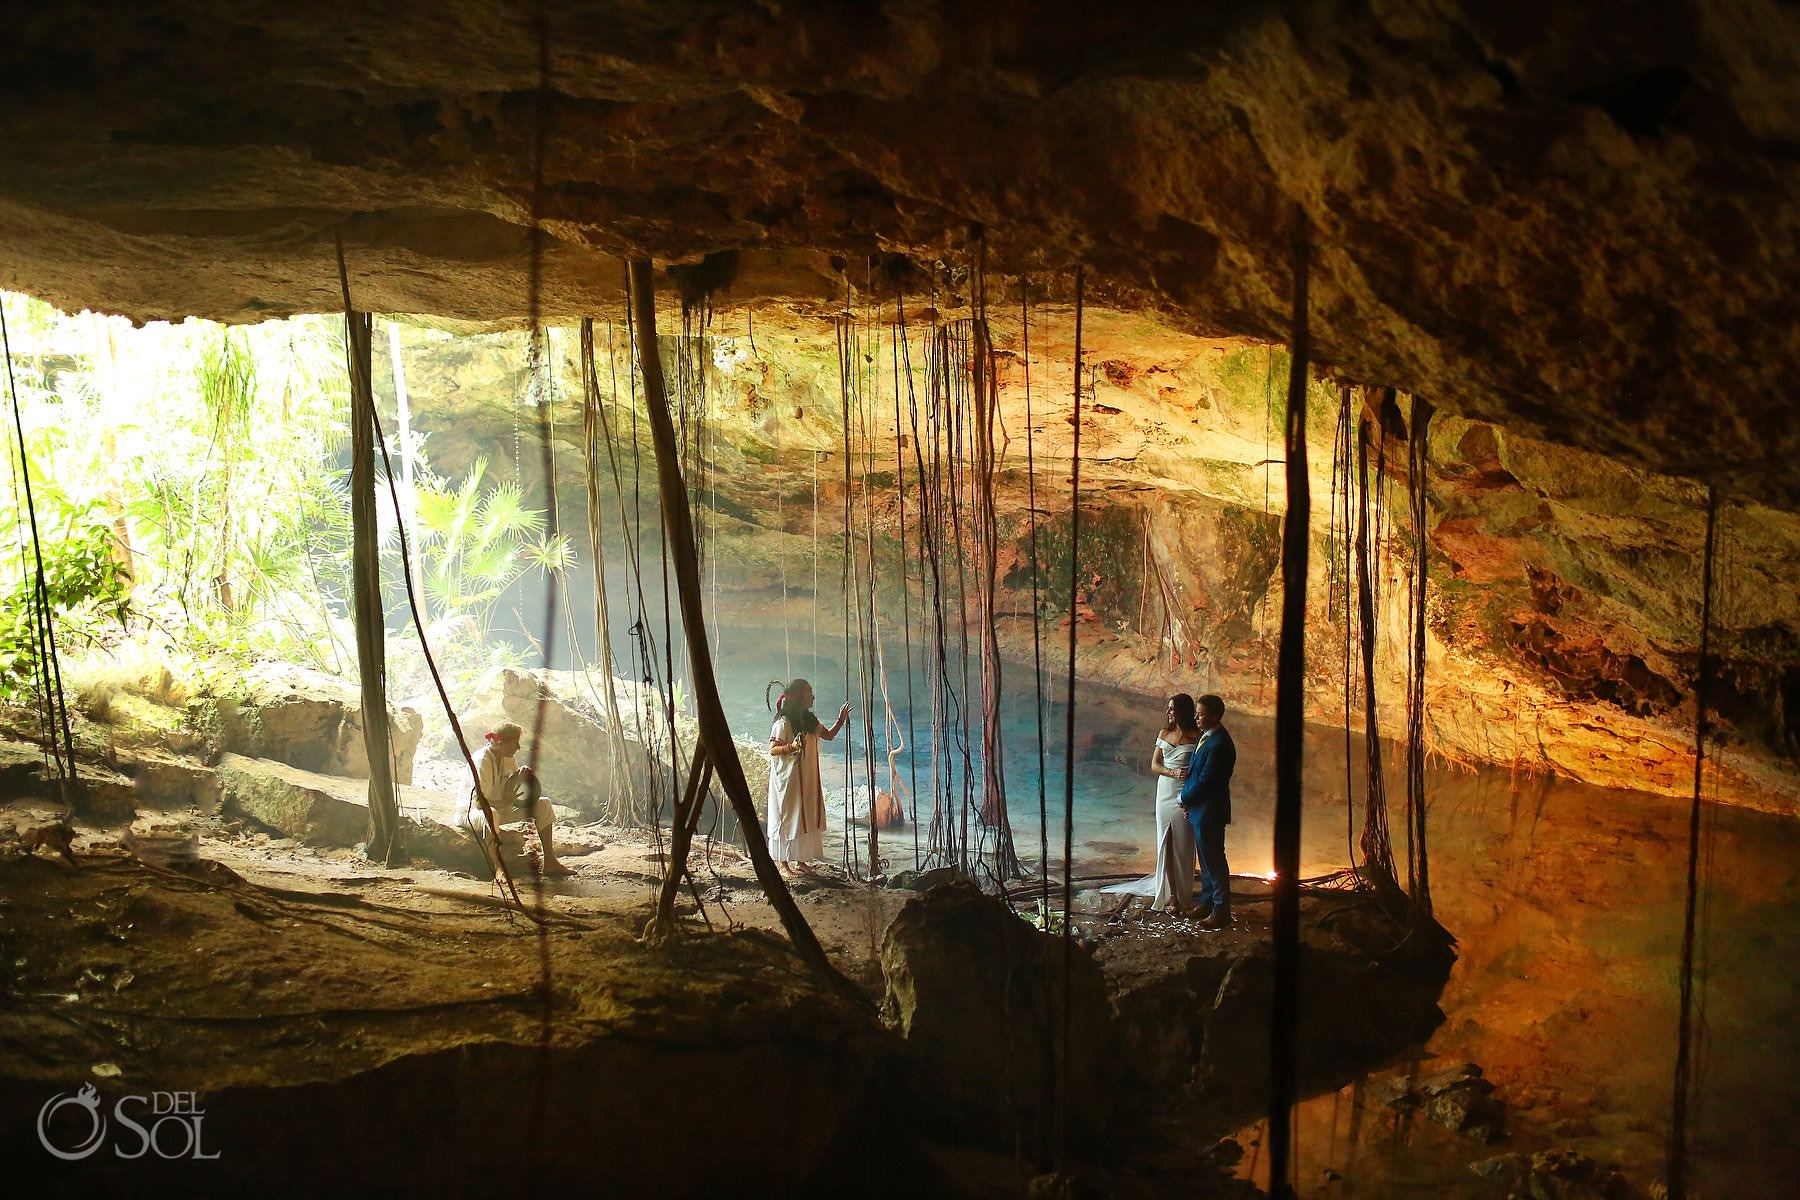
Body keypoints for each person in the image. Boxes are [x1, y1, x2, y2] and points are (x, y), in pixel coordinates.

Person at [455, 721, 572, 878]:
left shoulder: (506, 756)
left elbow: (510, 789)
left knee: (544, 804)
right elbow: (479, 804)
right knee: (493, 814)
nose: (518, 747)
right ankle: (498, 868)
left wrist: (521, 777)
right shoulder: (481, 761)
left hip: (499, 807)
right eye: (515, 743)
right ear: (501, 743)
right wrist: (506, 802)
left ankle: (550, 862)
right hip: (471, 814)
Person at [766, 679, 851, 875]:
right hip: (789, 780)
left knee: (804, 817)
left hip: (807, 778)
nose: (813, 697)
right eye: (809, 693)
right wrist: (792, 747)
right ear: (799, 698)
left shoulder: (811, 721)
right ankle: (783, 863)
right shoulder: (783, 722)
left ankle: (800, 860)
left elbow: (828, 735)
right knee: (788, 817)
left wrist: (841, 719)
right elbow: (773, 749)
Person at [1179, 693, 1237, 929]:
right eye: (1196, 713)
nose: (1196, 717)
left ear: (1214, 717)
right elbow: (1194, 772)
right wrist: (1189, 805)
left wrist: (1183, 797)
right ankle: (1206, 901)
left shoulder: (1220, 744)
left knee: (1214, 860)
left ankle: (1221, 910)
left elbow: (1206, 782)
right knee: (1205, 859)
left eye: (1201, 714)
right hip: (1201, 809)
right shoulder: (1207, 736)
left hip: (1210, 811)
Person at [1149, 694, 1202, 913]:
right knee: (1166, 842)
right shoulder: (1165, 734)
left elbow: (1201, 768)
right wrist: (1172, 771)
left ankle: (1184, 895)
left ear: (1184, 711)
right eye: (1168, 708)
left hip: (1184, 795)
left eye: (1173, 709)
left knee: (1184, 845)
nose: (1169, 712)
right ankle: (1171, 896)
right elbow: (1154, 765)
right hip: (1164, 792)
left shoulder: (1197, 736)